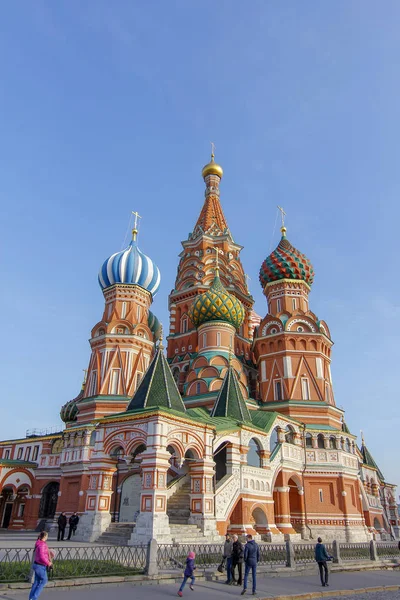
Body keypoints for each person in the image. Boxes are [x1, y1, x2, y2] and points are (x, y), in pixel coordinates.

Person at [29, 531, 52, 600]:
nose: (47, 537)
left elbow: (42, 554)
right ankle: (34, 597)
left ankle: (31, 598)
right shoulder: (42, 545)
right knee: (44, 580)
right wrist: (48, 563)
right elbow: (42, 556)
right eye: (47, 536)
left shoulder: (39, 543)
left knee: (36, 582)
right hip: (40, 566)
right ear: (44, 537)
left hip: (37, 564)